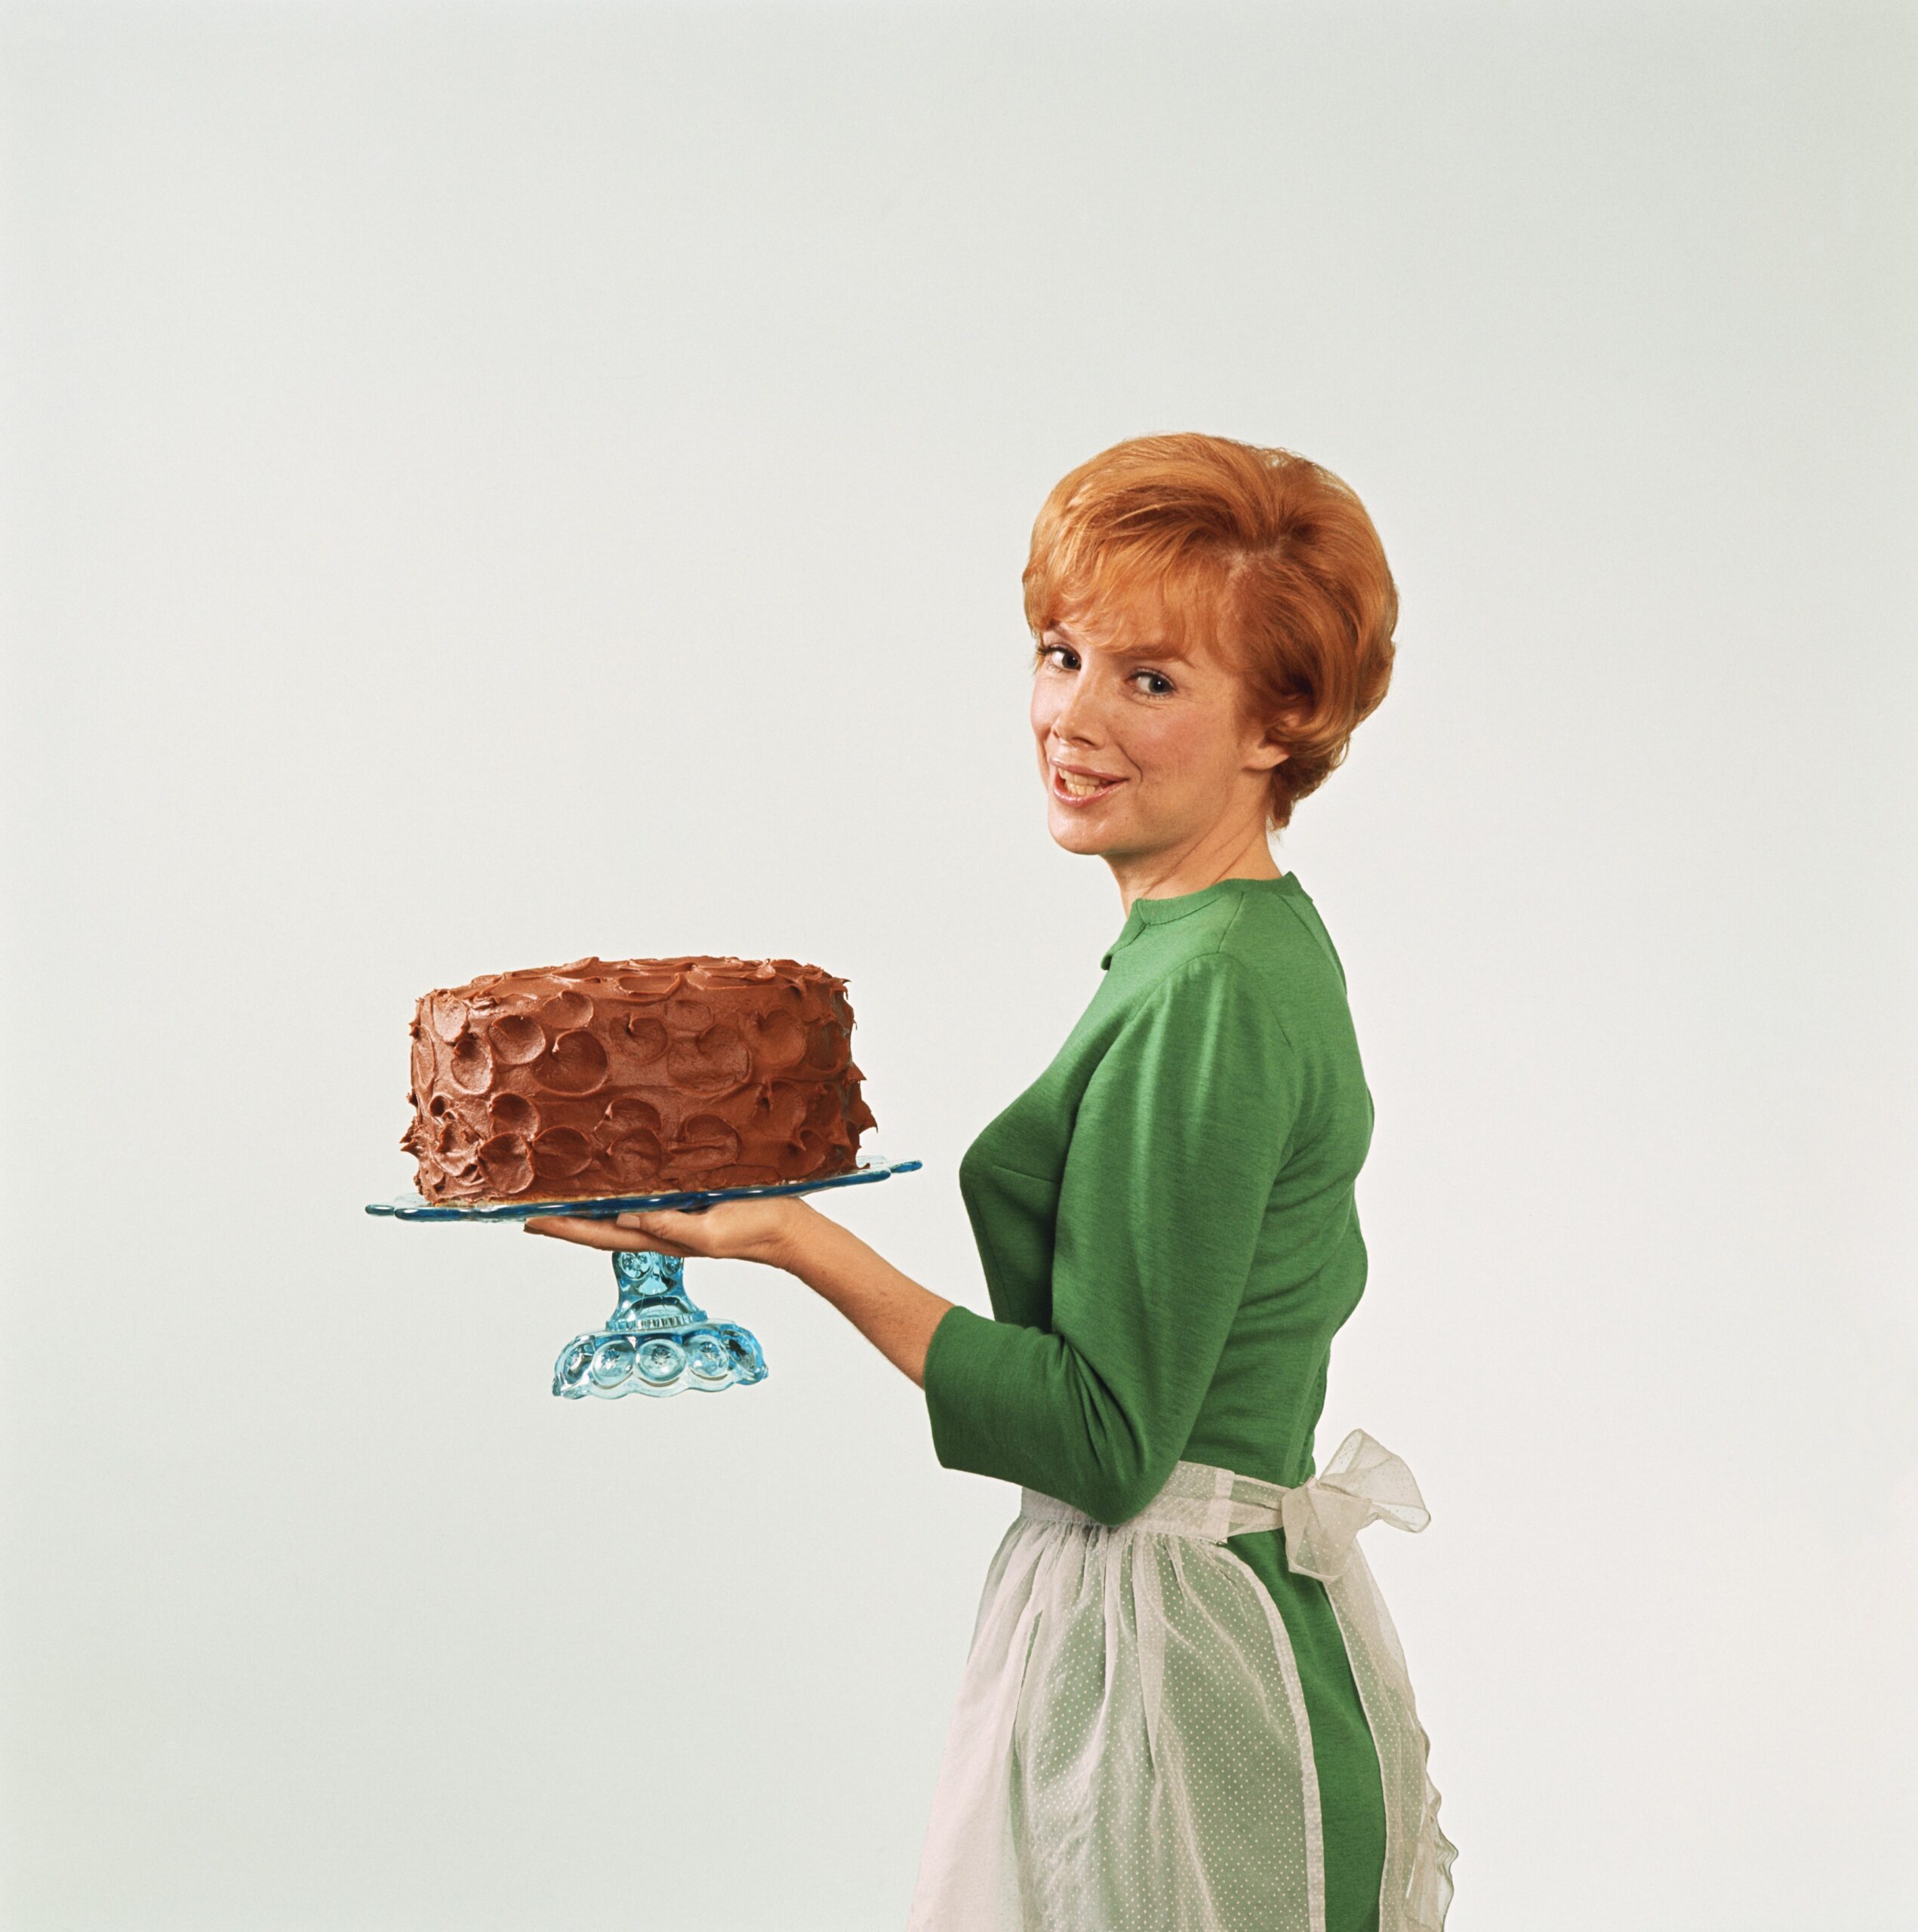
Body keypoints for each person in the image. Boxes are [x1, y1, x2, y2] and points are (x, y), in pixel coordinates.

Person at [528, 432, 1456, 1932]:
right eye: (1059, 652)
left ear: (1281, 720)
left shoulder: (1209, 987)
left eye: (1149, 679)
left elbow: (1105, 1442)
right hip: (1178, 1635)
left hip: (1173, 1676)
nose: (1070, 717)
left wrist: (791, 1237)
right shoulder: (1213, 942)